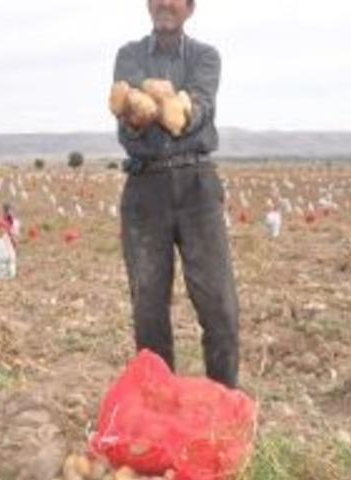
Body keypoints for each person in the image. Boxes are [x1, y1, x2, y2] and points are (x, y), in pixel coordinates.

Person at [110, 0, 240, 388]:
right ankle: (160, 408)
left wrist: (167, 108)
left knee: (219, 306)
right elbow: (132, 111)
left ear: (190, 8)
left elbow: (194, 110)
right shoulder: (129, 56)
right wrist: (147, 108)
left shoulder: (205, 57)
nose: (166, 3)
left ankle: (222, 408)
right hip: (145, 188)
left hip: (196, 184)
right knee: (148, 309)